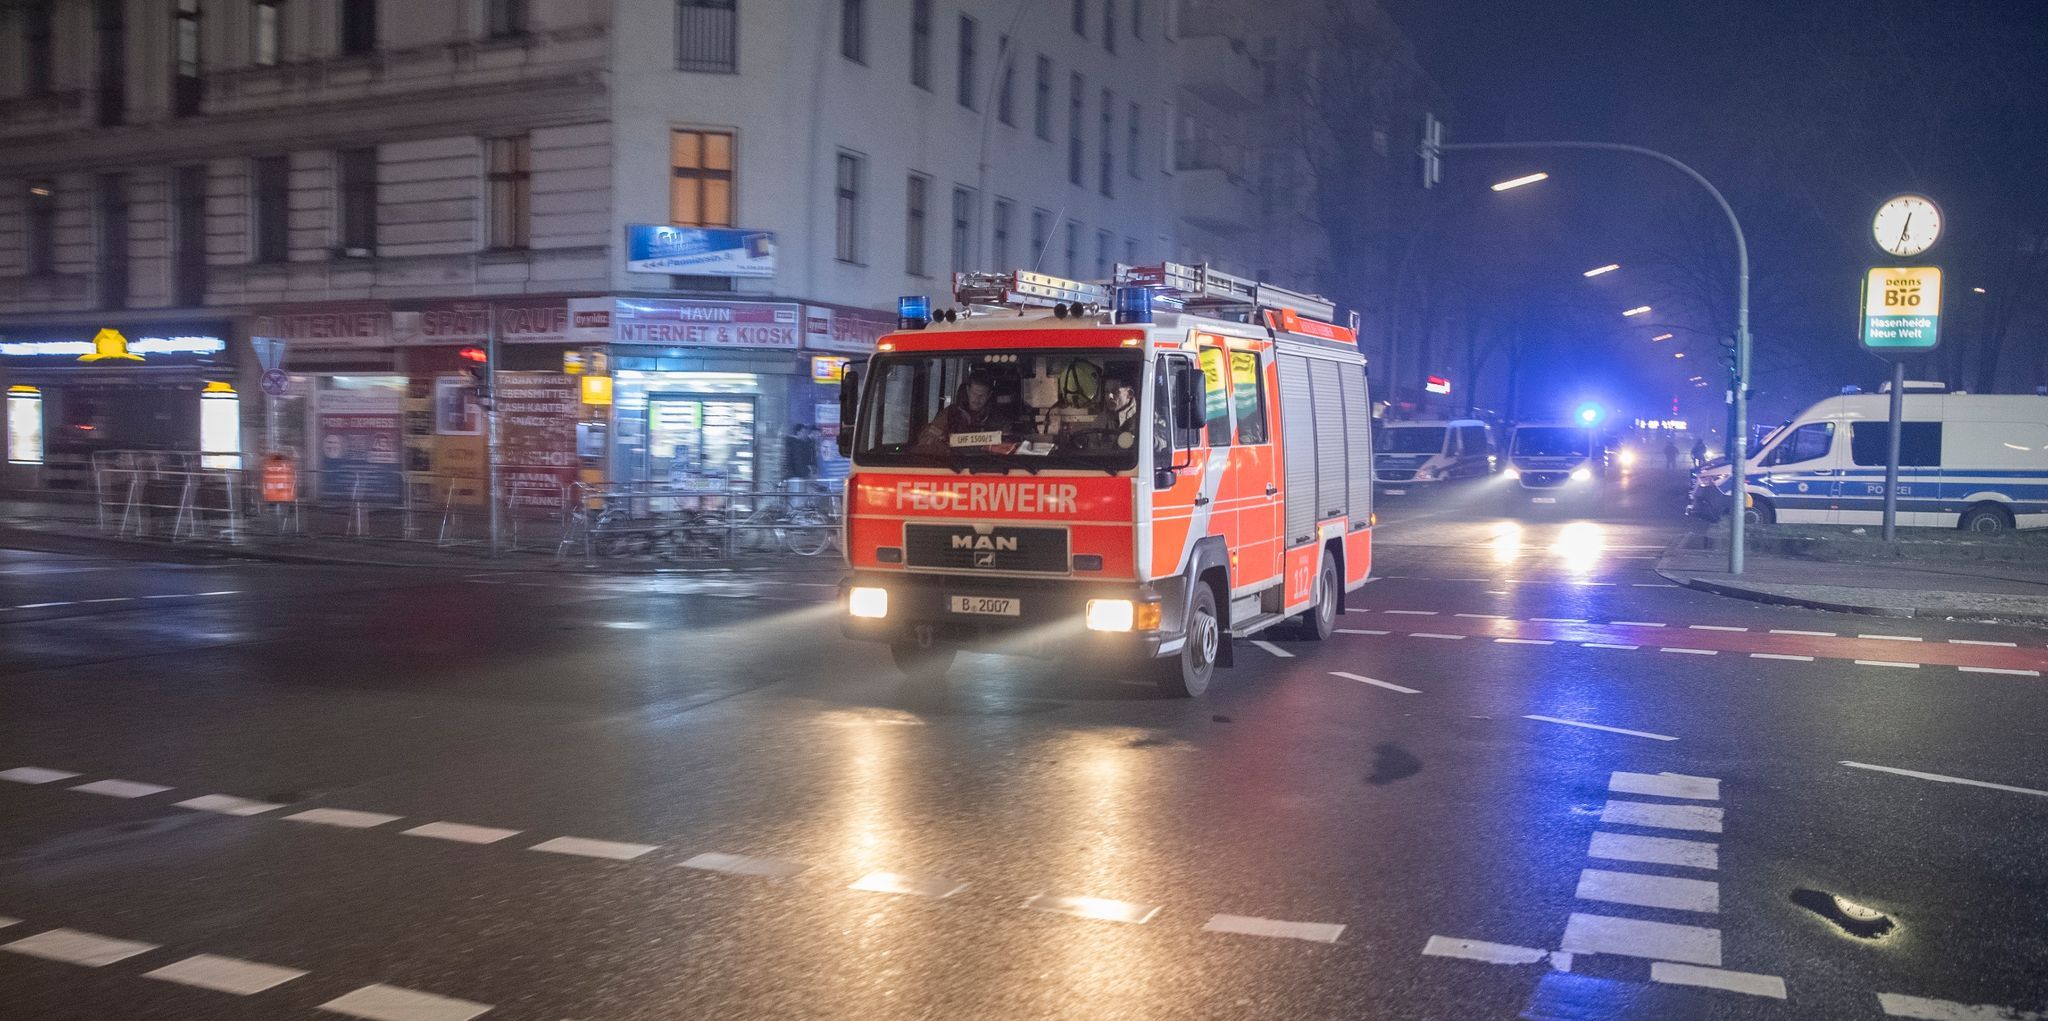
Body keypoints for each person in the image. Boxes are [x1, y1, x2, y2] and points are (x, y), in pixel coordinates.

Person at [915, 371, 1010, 453]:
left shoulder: (999, 420)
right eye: (974, 393)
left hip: (988, 466)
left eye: (982, 395)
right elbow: (926, 439)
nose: (977, 399)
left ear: (989, 395)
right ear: (968, 391)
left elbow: (1008, 446)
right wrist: (942, 442)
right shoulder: (950, 414)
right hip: (952, 465)